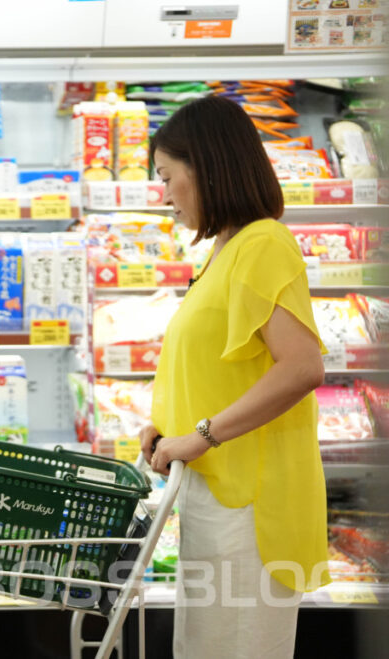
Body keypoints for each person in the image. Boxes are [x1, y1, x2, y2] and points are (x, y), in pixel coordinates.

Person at [140, 95, 330, 658]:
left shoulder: (263, 244)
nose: (165, 194)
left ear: (207, 167)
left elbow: (302, 367)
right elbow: (223, 366)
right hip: (219, 497)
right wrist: (164, 430)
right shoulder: (227, 250)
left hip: (252, 507)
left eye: (168, 177)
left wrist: (198, 436)